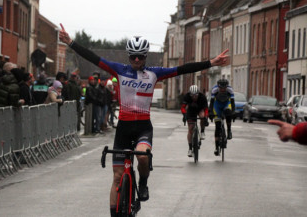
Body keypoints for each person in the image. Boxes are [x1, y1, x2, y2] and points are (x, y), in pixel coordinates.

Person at [59, 23, 229, 217]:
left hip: (143, 127)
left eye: (140, 56)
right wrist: (71, 42)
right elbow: (94, 59)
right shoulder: (119, 70)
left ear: (146, 57)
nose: (137, 60)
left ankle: (143, 182)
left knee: (142, 156)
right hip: (124, 127)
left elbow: (182, 69)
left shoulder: (154, 74)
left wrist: (211, 63)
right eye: (133, 56)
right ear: (129, 56)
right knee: (116, 177)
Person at [208, 78, 235, 156]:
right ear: (218, 87)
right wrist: (210, 112)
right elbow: (212, 103)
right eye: (221, 88)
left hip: (226, 103)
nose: (222, 90)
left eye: (224, 88)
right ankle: (216, 148)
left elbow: (232, 102)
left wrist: (233, 112)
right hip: (217, 105)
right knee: (217, 126)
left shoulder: (230, 90)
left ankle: (229, 130)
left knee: (228, 113)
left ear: (227, 87)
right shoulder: (214, 90)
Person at [181, 85, 209, 157]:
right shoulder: (187, 96)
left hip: (200, 109)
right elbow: (183, 107)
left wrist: (206, 117)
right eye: (192, 96)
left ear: (198, 94)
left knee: (202, 116)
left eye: (195, 95)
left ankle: (202, 131)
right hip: (191, 111)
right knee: (190, 128)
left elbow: (206, 109)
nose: (194, 97)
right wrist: (184, 115)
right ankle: (190, 148)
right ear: (190, 94)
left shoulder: (202, 97)